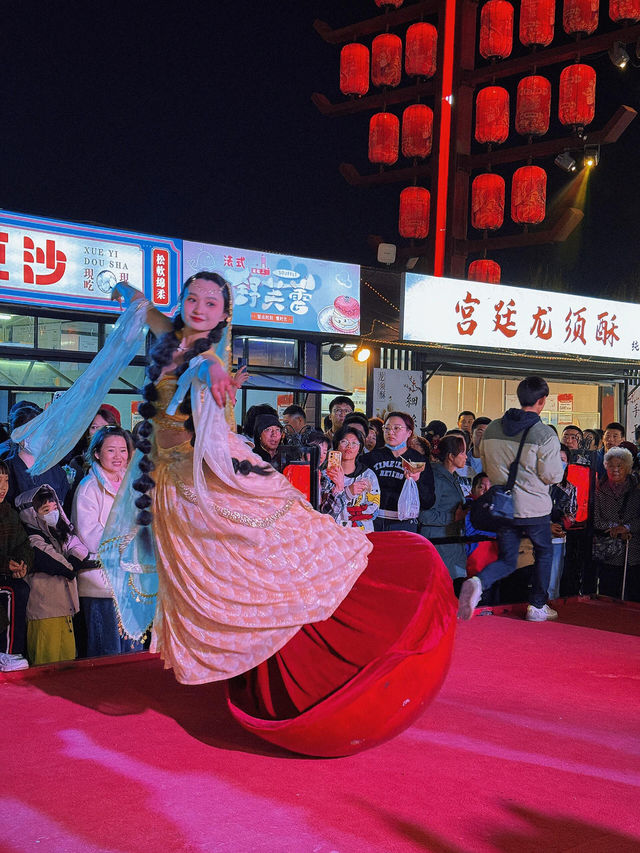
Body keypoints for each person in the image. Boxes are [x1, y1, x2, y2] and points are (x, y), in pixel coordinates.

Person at [10, 271, 374, 685]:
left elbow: (202, 368)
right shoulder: (175, 334)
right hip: (164, 474)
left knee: (229, 556)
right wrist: (136, 296)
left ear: (223, 315)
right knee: (194, 570)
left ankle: (270, 624)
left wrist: (217, 376)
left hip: (191, 472)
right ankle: (237, 640)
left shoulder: (207, 355)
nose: (199, 308)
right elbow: (153, 316)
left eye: (211, 303)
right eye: (192, 298)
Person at [458, 376, 564, 622]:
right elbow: (552, 475)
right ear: (542, 401)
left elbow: (485, 462)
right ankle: (537, 605)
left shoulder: (493, 427)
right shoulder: (544, 433)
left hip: (503, 506)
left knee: (507, 558)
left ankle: (477, 581)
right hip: (534, 507)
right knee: (544, 552)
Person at [72, 425, 141, 657]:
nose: (118, 456)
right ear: (97, 453)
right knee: (107, 651)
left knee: (133, 649)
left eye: (123, 450)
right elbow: (89, 535)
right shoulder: (88, 488)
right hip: (102, 583)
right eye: (111, 450)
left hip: (131, 579)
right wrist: (125, 539)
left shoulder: (131, 485)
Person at [16, 484, 96, 665]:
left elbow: (79, 546)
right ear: (31, 513)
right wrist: (73, 562)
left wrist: (73, 560)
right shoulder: (31, 539)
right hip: (44, 614)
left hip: (65, 610)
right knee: (46, 666)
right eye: (45, 510)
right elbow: (62, 566)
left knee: (67, 666)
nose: (53, 513)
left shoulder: (60, 533)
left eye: (54, 508)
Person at [364, 411, 435, 532]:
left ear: (409, 432)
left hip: (404, 523)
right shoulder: (370, 458)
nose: (391, 432)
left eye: (397, 428)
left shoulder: (418, 460)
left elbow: (428, 501)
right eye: (387, 428)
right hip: (373, 520)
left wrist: (416, 481)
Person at [418, 434, 468, 584]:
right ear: (451, 456)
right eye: (462, 452)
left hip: (452, 544)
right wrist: (453, 518)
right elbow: (424, 515)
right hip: (439, 545)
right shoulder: (436, 478)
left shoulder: (453, 478)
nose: (466, 456)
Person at [592, 447, 640, 601]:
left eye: (620, 466)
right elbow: (595, 519)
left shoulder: (637, 489)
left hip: (632, 550)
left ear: (628, 467)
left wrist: (627, 528)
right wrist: (613, 527)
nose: (615, 469)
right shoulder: (598, 489)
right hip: (608, 551)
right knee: (608, 593)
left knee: (632, 594)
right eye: (611, 465)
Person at [0, 460, 33, 672]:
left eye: (6, 481)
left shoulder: (8, 512)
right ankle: (8, 652)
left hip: (4, 574)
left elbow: (23, 543)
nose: (3, 487)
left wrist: (22, 563)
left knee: (20, 586)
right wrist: (5, 565)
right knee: (14, 591)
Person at [320, 425, 380, 532]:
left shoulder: (368, 475)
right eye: (344, 442)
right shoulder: (325, 475)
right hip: (333, 533)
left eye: (354, 443)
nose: (349, 447)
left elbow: (373, 511)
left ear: (359, 448)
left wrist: (341, 508)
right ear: (337, 445)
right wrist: (348, 493)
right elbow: (324, 512)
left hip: (362, 533)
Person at [548, 444, 577, 600]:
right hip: (534, 536)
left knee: (553, 581)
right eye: (555, 458)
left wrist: (560, 525)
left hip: (558, 539)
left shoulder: (569, 488)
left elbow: (572, 514)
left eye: (563, 459)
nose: (559, 462)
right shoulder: (540, 483)